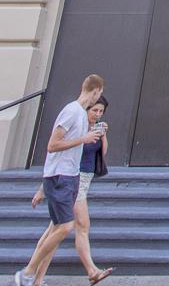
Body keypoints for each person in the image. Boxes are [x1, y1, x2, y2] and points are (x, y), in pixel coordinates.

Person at [15, 74, 105, 286]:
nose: (98, 100)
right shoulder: (72, 111)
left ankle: (34, 280)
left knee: (57, 228)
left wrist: (93, 135)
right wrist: (84, 138)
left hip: (69, 177)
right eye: (99, 94)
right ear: (94, 90)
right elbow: (52, 145)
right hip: (60, 177)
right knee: (64, 227)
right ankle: (27, 273)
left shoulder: (81, 116)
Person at [32, 95, 113, 284]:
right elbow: (58, 159)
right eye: (95, 110)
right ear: (86, 110)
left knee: (55, 231)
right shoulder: (76, 128)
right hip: (72, 182)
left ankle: (34, 277)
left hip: (82, 182)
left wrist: (103, 134)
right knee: (80, 226)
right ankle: (91, 271)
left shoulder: (95, 129)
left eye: (101, 111)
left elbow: (103, 153)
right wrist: (42, 189)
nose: (97, 114)